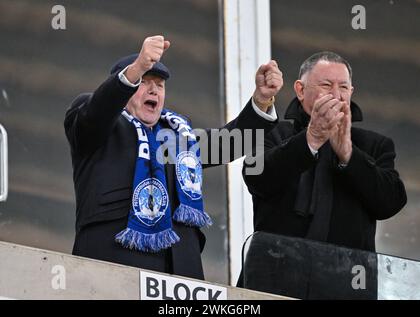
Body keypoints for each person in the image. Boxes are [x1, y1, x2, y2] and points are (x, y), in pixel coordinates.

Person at [64, 35, 283, 280]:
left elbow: (228, 143)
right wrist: (137, 67)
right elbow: (97, 111)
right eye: (144, 81)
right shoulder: (98, 121)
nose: (154, 89)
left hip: (181, 269)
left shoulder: (178, 135)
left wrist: (262, 100)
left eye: (159, 84)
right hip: (114, 266)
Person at [243, 51, 407, 253]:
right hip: (273, 275)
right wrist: (310, 140)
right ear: (300, 90)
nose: (336, 95)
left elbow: (391, 202)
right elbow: (255, 176)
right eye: (326, 85)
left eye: (344, 87)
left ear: (351, 92)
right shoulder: (271, 132)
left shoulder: (374, 145)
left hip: (348, 279)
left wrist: (349, 155)